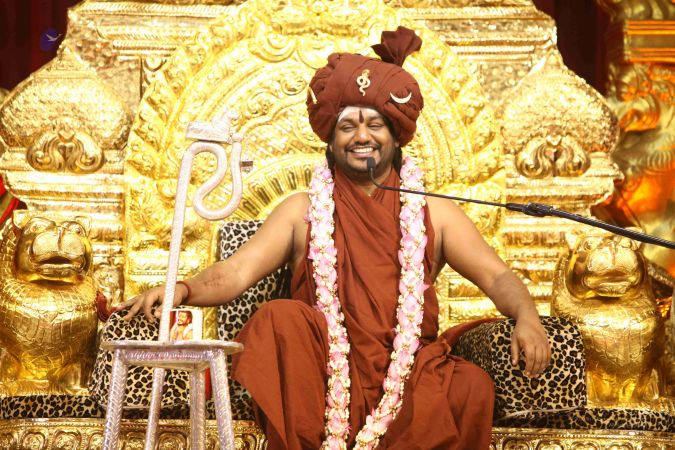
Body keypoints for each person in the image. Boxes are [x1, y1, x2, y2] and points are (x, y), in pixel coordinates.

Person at [120, 27, 550, 450]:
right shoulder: (301, 211)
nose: (362, 136)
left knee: (468, 385)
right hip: (323, 374)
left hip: (408, 377)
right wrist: (182, 289)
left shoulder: (435, 213)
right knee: (280, 319)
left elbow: (496, 276)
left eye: (375, 124)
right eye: (347, 127)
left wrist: (527, 315)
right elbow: (235, 273)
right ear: (330, 140)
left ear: (395, 135)